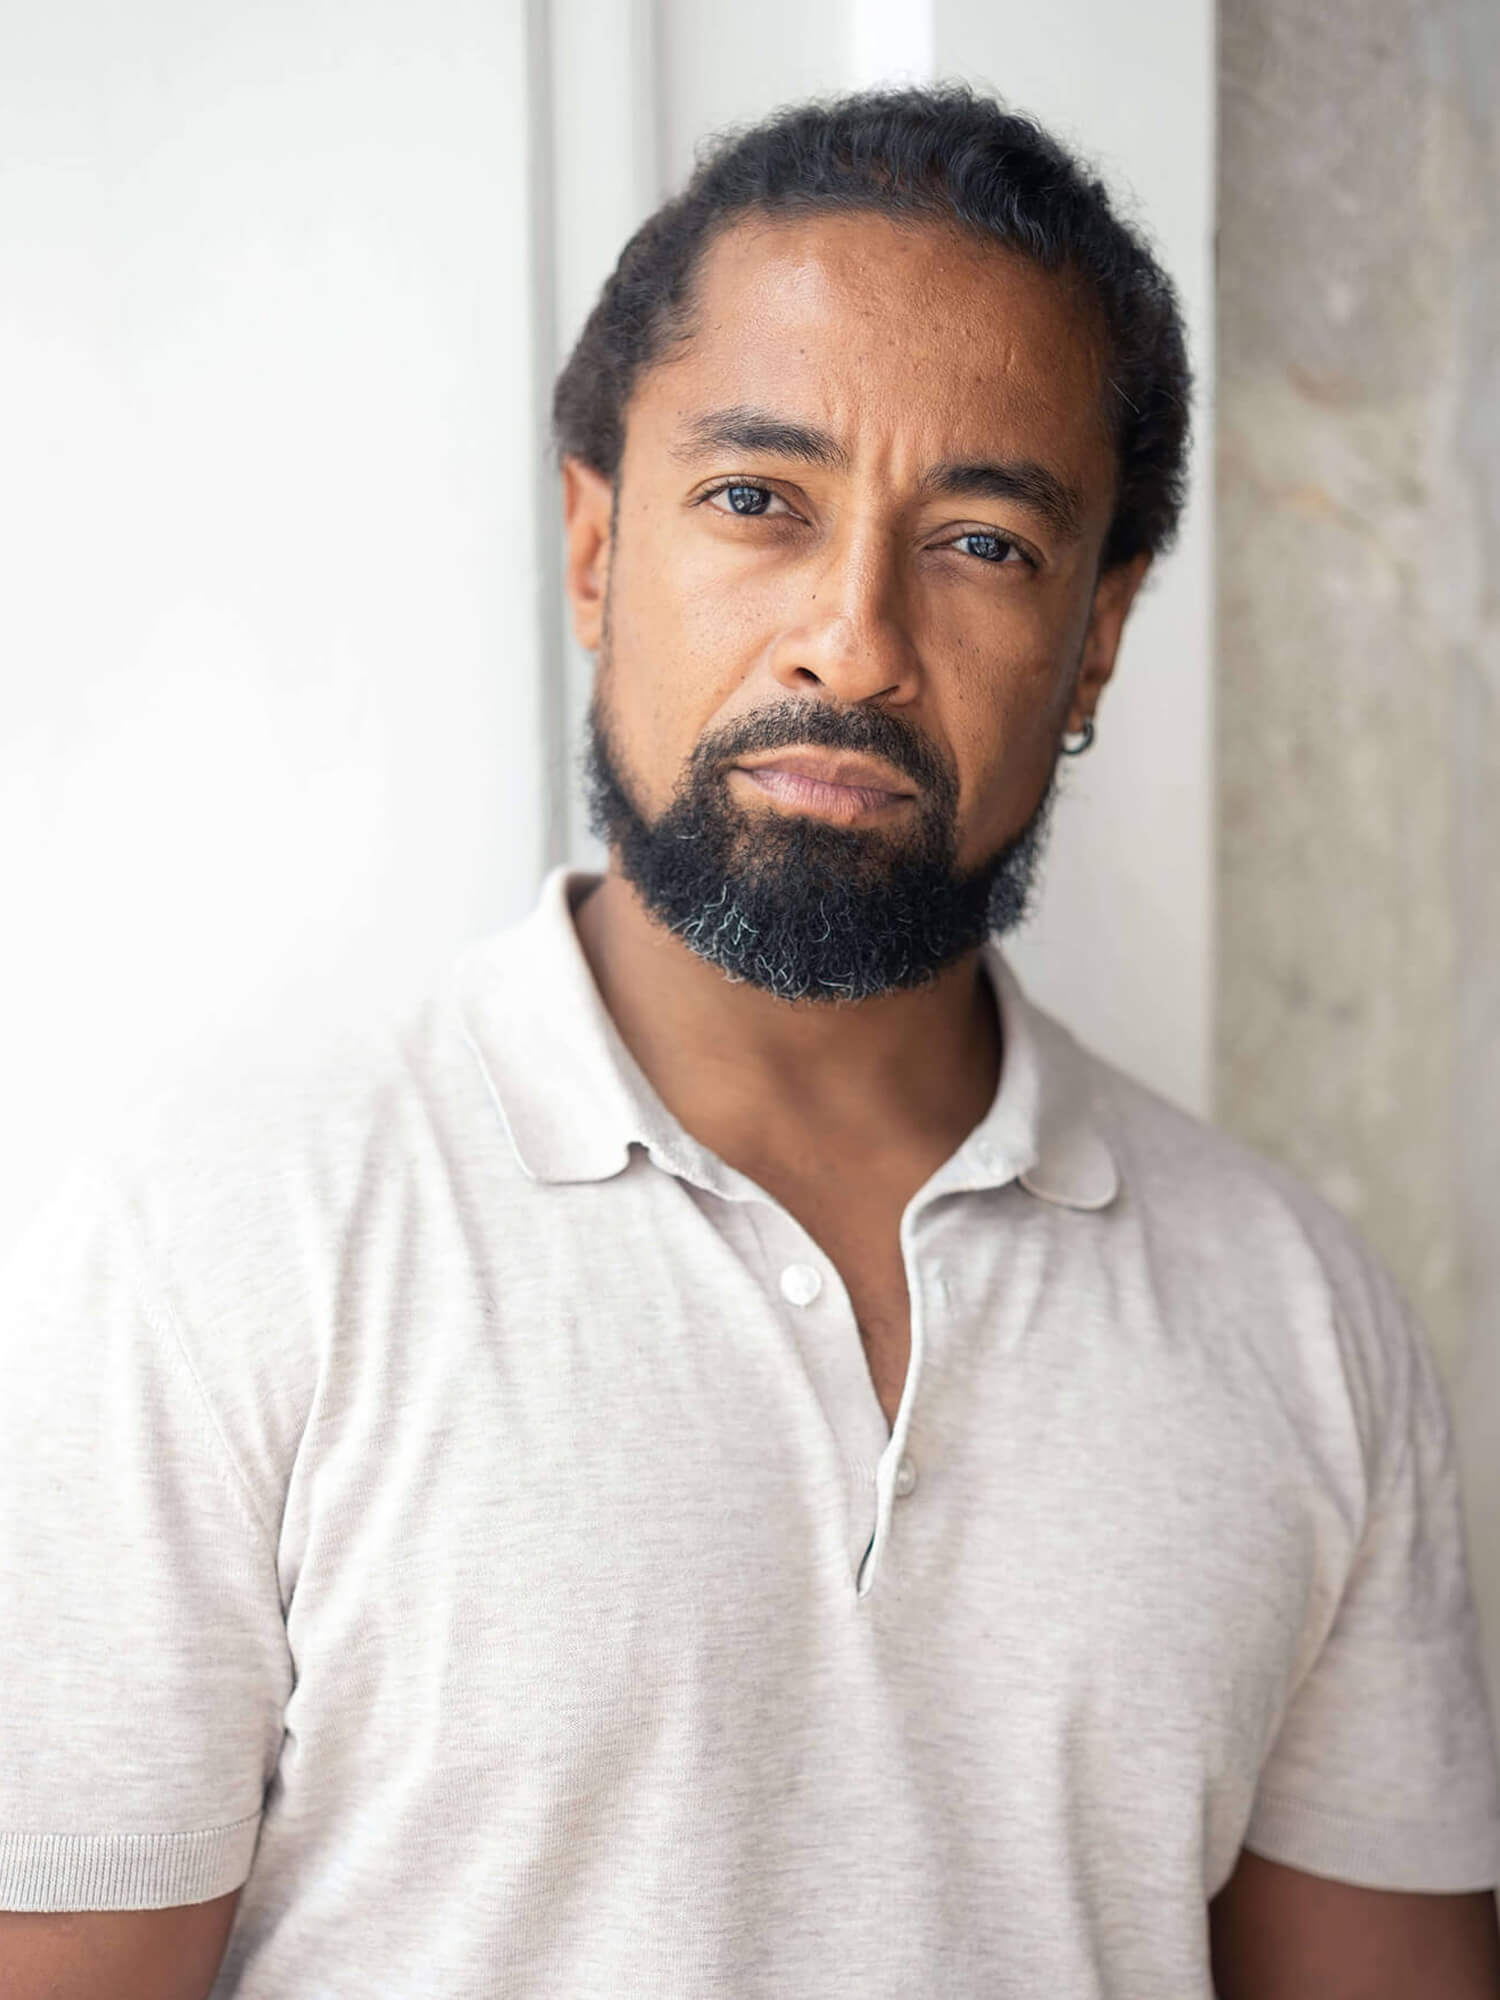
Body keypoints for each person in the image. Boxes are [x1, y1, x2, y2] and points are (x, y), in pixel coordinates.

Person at [2, 84, 1497, 2000]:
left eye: (983, 542)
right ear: (594, 546)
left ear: (1101, 636)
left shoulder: (1299, 1319)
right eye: (756, 501)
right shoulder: (224, 1246)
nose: (851, 642)